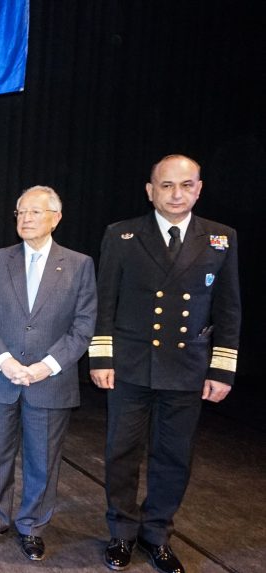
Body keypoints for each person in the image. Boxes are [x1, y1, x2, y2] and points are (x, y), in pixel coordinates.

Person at [90, 155, 240, 573]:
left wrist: (221, 368)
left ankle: (157, 534)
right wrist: (101, 357)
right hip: (131, 365)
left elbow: (228, 308)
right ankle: (122, 532)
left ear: (199, 189)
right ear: (150, 190)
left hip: (186, 367)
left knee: (173, 456)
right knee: (121, 453)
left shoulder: (220, 238)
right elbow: (105, 301)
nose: (177, 194)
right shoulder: (122, 235)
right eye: (167, 185)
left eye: (186, 185)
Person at [0, 186, 97, 561]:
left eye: (35, 212)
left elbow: (83, 326)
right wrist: (5, 361)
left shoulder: (79, 265)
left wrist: (47, 366)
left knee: (43, 460)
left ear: (56, 218)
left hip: (50, 380)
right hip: (0, 376)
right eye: (21, 212)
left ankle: (32, 527)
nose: (25, 219)